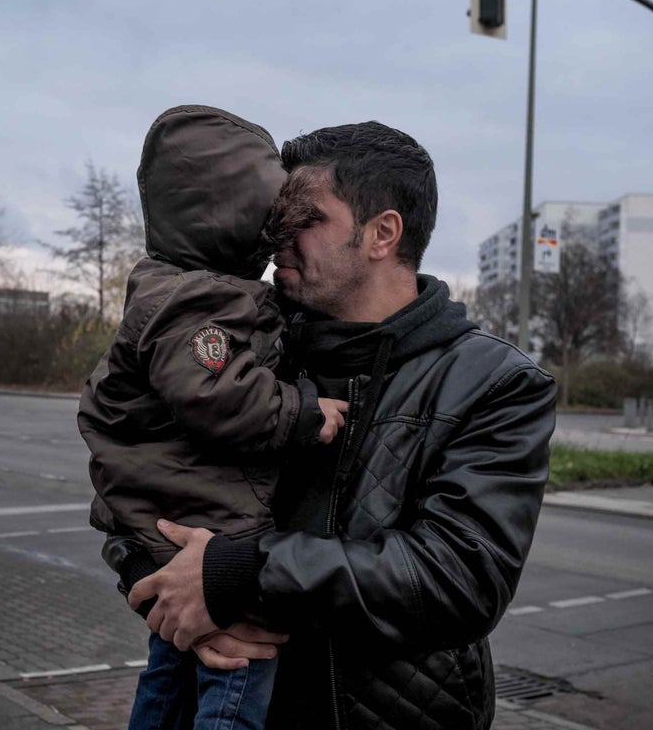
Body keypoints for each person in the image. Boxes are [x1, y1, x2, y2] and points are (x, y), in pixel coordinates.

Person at [128, 121, 558, 729]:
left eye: (304, 220)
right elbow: (135, 464)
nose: (275, 239)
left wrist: (235, 576)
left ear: (382, 233)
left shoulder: (493, 383)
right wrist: (166, 592)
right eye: (274, 219)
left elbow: (459, 579)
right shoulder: (237, 349)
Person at [78, 105, 349, 730]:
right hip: (211, 527)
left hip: (185, 526)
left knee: (171, 674)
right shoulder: (200, 301)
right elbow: (217, 395)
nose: (282, 239)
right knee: (237, 674)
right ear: (238, 216)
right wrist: (304, 413)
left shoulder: (177, 288)